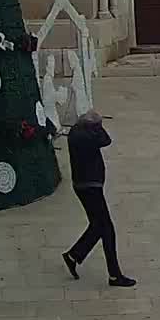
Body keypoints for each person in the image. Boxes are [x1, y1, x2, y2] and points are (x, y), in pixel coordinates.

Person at [61, 111, 134, 287]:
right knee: (106, 228)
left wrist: (93, 124)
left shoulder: (77, 132)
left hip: (85, 185)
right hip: (90, 187)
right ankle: (114, 275)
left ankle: (74, 255)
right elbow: (105, 140)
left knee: (98, 226)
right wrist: (98, 125)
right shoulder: (85, 137)